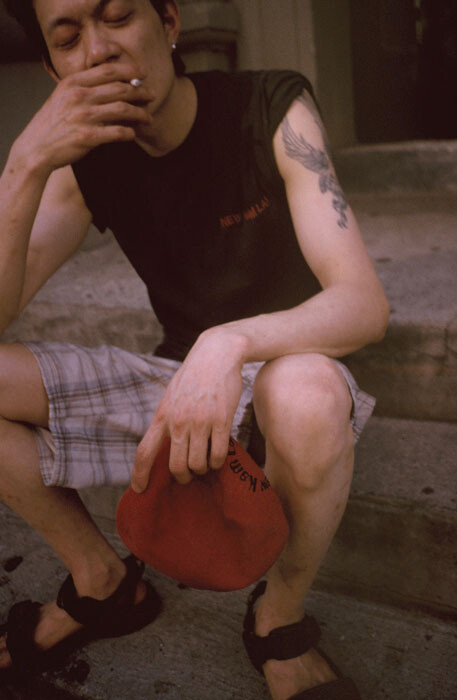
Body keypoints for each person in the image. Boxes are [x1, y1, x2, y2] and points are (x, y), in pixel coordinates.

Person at [0, 1, 389, 698]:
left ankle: (277, 616)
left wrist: (228, 341)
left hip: (289, 364)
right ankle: (103, 582)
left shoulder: (269, 108)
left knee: (303, 395)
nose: (98, 50)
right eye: (68, 36)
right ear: (55, 71)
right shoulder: (83, 163)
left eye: (117, 14)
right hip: (176, 381)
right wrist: (24, 165)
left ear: (170, 21)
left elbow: (363, 305)